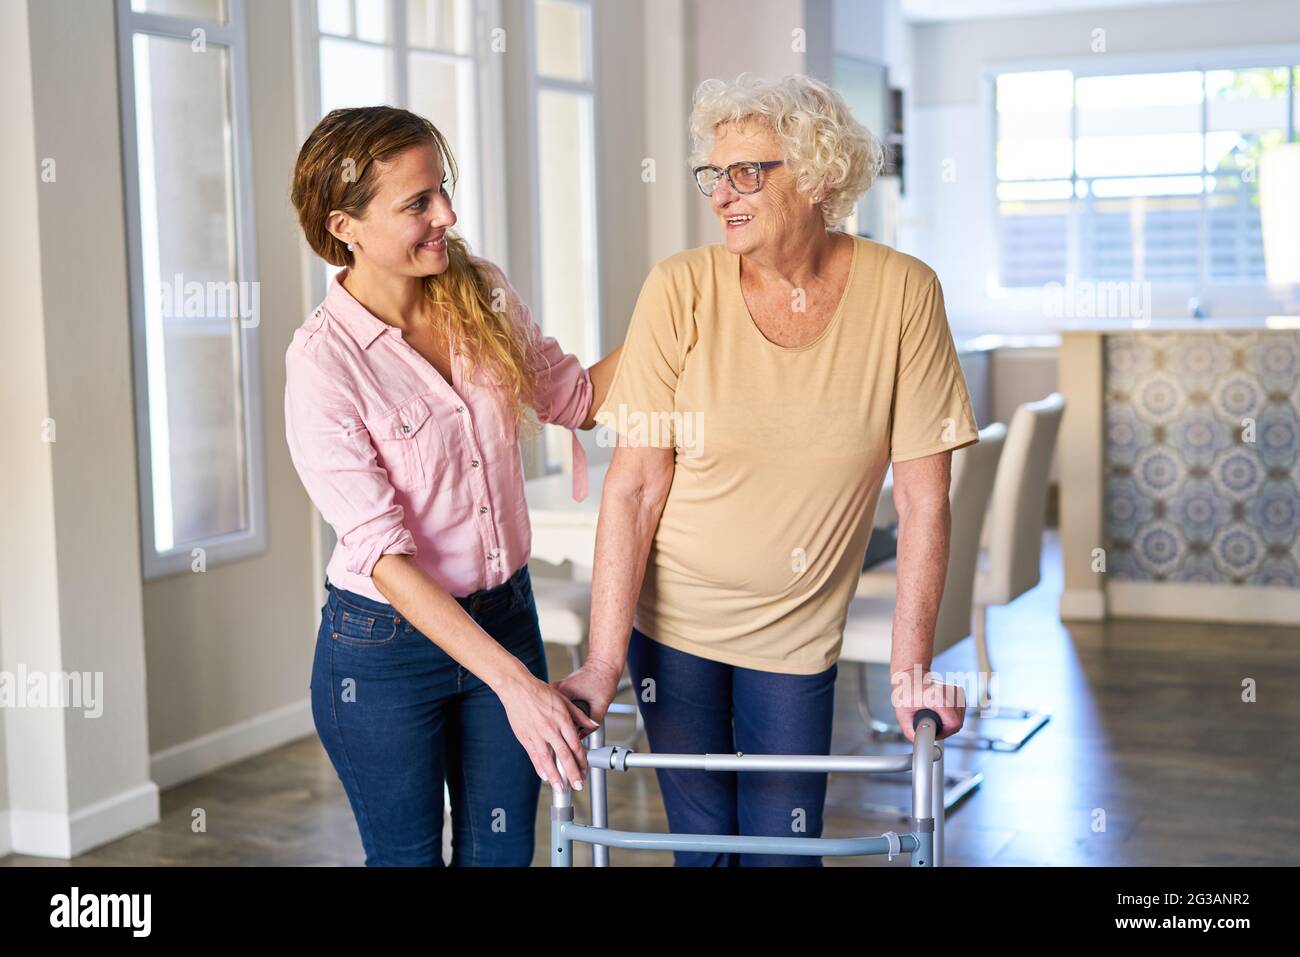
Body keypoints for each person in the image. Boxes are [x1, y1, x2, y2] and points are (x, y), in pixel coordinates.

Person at [559, 74, 976, 866]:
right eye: (713, 175)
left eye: (748, 171)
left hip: (796, 635)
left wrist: (910, 670)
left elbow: (926, 500)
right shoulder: (680, 289)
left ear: (818, 178)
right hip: (671, 627)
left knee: (784, 853)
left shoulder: (903, 295)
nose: (722, 195)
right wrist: (603, 662)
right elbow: (635, 484)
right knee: (706, 851)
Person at [286, 105, 618, 866]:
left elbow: (574, 399)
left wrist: (681, 307)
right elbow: (384, 556)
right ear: (346, 225)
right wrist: (517, 685)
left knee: (501, 857)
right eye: (417, 203)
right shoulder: (322, 364)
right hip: (384, 651)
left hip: (506, 612)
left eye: (443, 189)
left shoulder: (481, 292)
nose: (448, 214)